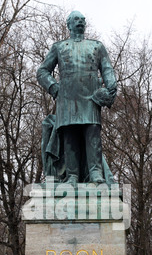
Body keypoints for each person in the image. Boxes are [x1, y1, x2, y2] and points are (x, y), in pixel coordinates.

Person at [37, 11, 117, 185]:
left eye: (82, 19)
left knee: (92, 135)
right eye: (76, 19)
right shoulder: (59, 47)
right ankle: (72, 175)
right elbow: (42, 71)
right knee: (70, 136)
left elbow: (107, 69)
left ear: (85, 24)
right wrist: (53, 87)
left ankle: (96, 173)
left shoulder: (97, 46)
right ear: (69, 25)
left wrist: (111, 87)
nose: (80, 22)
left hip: (91, 97)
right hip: (67, 99)